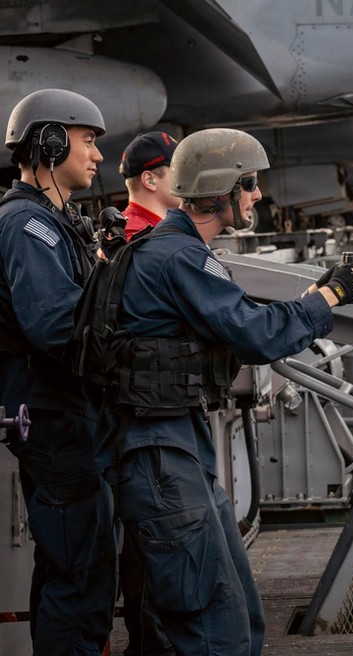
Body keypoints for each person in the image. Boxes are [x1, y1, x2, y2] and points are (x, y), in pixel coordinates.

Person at [99, 127, 353, 656]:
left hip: (174, 446)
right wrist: (330, 297)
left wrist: (308, 302)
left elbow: (238, 327)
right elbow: (256, 334)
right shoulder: (181, 257)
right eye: (249, 186)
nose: (257, 197)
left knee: (238, 615)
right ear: (221, 190)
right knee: (211, 630)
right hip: (162, 456)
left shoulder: (174, 253)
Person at [0, 88, 116, 654]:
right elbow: (54, 324)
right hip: (53, 418)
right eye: (88, 141)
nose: (97, 156)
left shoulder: (55, 221)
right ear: (50, 142)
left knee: (68, 564)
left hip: (63, 414)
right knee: (80, 570)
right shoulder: (29, 226)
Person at [118, 131, 182, 655]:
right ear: (152, 178)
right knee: (151, 558)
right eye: (176, 170)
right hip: (145, 416)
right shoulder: (143, 241)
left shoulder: (148, 235)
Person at [119, 131, 181, 240]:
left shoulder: (122, 230)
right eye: (178, 170)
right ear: (150, 180)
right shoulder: (142, 239)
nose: (188, 178)